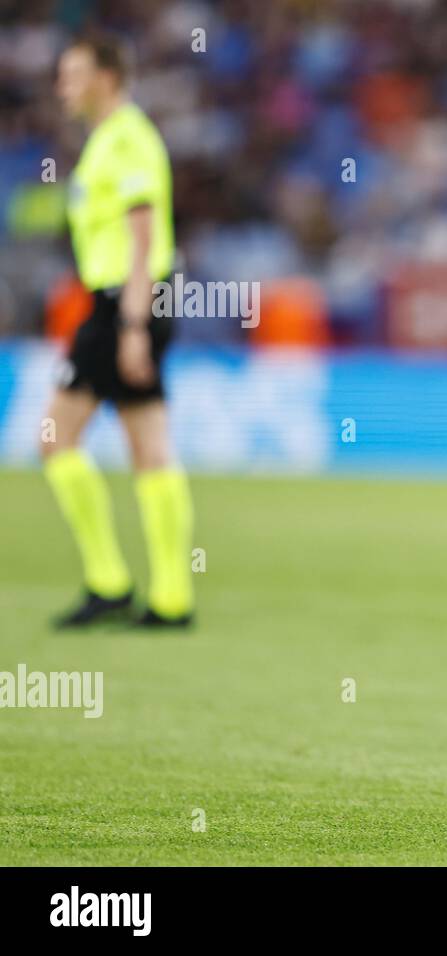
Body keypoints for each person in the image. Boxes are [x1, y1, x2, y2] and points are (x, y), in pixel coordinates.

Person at [42, 34, 194, 630]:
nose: (64, 86)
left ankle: (109, 581)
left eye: (73, 73)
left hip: (126, 304)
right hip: (132, 303)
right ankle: (171, 598)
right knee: (149, 445)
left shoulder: (126, 137)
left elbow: (142, 239)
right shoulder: (109, 138)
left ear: (107, 74)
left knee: (55, 438)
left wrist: (132, 324)